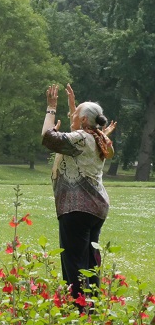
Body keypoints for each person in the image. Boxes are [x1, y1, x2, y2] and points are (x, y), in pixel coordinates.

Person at [41, 83, 114, 303]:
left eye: (75, 112)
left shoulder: (81, 138)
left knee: (74, 263)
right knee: (90, 262)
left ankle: (78, 312)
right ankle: (91, 309)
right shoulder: (97, 138)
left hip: (76, 207)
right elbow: (75, 130)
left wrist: (51, 108)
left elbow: (47, 137)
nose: (72, 113)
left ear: (83, 120)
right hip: (96, 207)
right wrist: (74, 105)